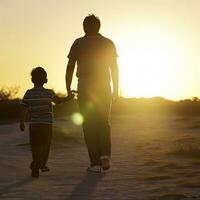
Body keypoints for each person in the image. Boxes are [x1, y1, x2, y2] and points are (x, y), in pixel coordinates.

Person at [66, 14, 119, 173]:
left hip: (85, 84)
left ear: (84, 27)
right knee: (103, 121)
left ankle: (95, 162)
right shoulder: (108, 43)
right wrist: (116, 88)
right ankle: (105, 156)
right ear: (99, 27)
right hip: (103, 85)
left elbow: (70, 67)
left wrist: (68, 88)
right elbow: (114, 68)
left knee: (89, 123)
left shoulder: (78, 43)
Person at [20, 67, 74, 178]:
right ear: (45, 80)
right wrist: (69, 97)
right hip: (46, 124)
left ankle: (36, 163)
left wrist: (22, 121)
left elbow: (23, 108)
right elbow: (59, 101)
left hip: (34, 124)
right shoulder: (49, 93)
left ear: (32, 80)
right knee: (45, 145)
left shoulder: (28, 93)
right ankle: (41, 164)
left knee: (35, 145)